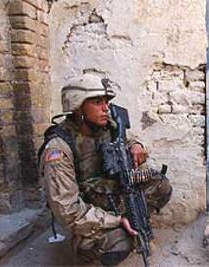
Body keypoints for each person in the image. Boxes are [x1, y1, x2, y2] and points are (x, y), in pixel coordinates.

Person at [38, 73, 172, 266]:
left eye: (107, 101)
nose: (105, 108)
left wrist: (136, 145)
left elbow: (124, 139)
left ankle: (132, 223)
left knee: (161, 185)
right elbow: (69, 211)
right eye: (97, 102)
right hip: (84, 210)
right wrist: (115, 221)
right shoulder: (59, 148)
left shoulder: (106, 127)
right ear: (77, 107)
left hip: (108, 193)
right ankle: (86, 250)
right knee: (118, 243)